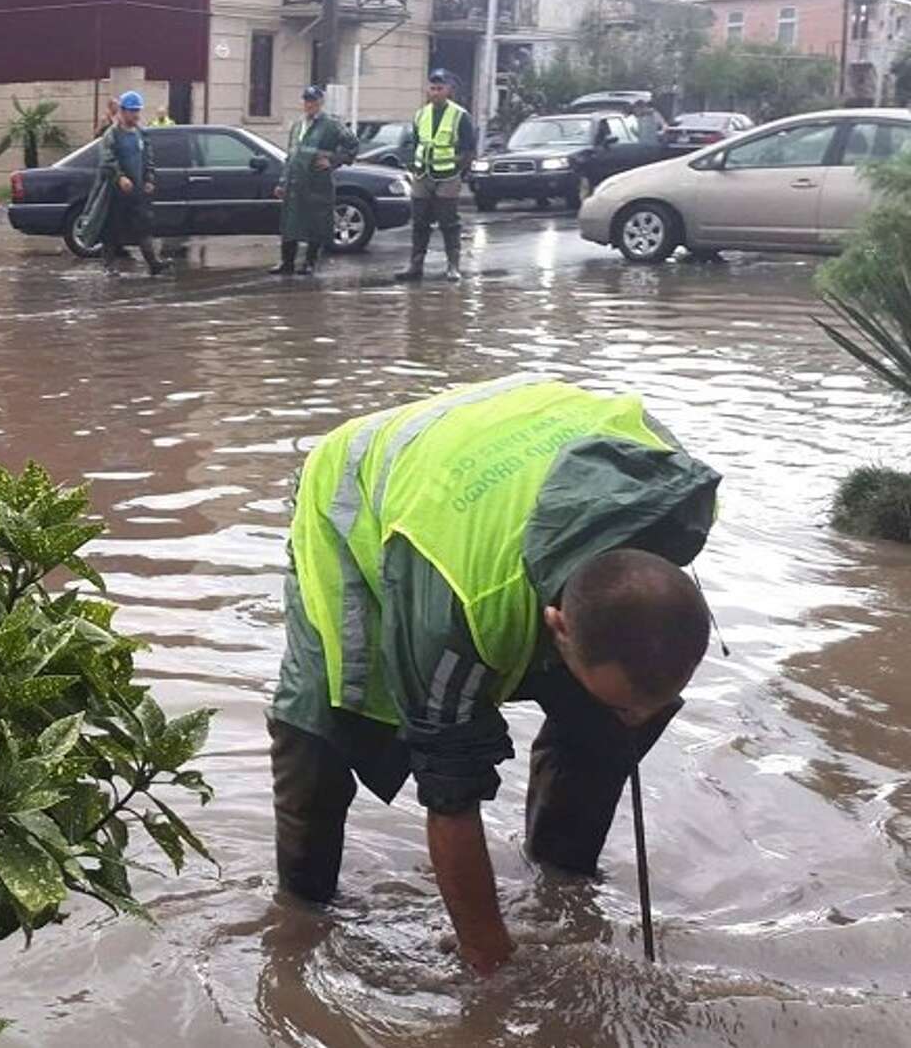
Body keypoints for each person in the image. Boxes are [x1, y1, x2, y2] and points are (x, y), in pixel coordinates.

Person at [267, 375, 722, 977]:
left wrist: (620, 717)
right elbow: (449, 789)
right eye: (625, 705)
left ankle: (562, 876)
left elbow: (637, 672)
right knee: (323, 727)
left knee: (601, 725)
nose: (637, 723)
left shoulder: (678, 501)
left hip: (524, 435)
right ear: (557, 627)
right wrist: (490, 963)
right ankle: (300, 922)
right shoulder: (461, 601)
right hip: (370, 501)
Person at [75, 91, 169, 275]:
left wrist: (149, 178)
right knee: (112, 230)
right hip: (115, 192)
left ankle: (153, 263)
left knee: (144, 226)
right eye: (132, 111)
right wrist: (119, 177)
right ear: (123, 111)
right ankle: (109, 266)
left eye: (138, 111)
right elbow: (107, 159)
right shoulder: (113, 134)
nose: (136, 115)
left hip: (137, 191)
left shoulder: (141, 134)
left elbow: (148, 158)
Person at [397, 69, 476, 283]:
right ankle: (416, 264)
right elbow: (414, 143)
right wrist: (413, 165)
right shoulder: (421, 114)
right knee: (419, 222)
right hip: (423, 174)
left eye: (439, 88)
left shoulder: (460, 115)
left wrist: (460, 171)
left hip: (448, 175)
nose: (435, 92)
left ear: (448, 90)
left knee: (448, 222)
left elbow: (469, 150)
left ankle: (453, 265)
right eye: (432, 88)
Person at [271, 84, 358, 277]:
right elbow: (290, 157)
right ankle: (287, 263)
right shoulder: (297, 126)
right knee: (290, 223)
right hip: (295, 182)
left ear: (320, 102)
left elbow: (352, 145)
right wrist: (282, 182)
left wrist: (333, 160)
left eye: (313, 101)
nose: (309, 105)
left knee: (315, 222)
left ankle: (310, 262)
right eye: (307, 101)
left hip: (317, 182)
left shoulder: (331, 125)